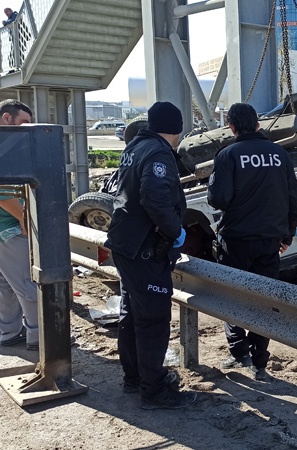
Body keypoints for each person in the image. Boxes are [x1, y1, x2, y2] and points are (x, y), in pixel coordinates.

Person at [104, 101, 196, 409]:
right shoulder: (158, 152)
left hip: (125, 245)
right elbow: (154, 197)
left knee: (133, 313)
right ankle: (154, 391)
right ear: (177, 129)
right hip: (144, 249)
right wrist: (174, 232)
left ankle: (136, 377)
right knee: (153, 319)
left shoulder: (134, 147)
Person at [207, 102, 297, 381]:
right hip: (270, 241)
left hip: (236, 240)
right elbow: (293, 199)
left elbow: (217, 199)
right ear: (258, 124)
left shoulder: (228, 155)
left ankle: (239, 352)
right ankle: (260, 361)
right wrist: (288, 235)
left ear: (232, 127)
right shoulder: (280, 154)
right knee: (263, 299)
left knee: (231, 296)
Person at [0, 99, 38, 352]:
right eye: (24, 122)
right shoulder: (4, 146)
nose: (28, 128)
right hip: (11, 229)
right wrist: (25, 220)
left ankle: (9, 331)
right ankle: (39, 335)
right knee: (27, 285)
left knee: (5, 286)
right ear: (6, 119)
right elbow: (3, 192)